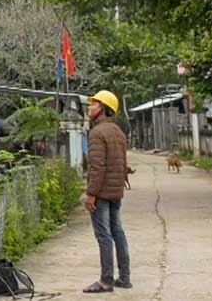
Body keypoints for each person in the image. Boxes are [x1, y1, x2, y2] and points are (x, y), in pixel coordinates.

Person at [82, 90, 131, 293]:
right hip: (115, 192)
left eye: (93, 105)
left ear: (102, 108)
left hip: (101, 193)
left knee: (104, 235)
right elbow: (122, 164)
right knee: (117, 232)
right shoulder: (118, 132)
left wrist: (91, 193)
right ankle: (125, 278)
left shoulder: (96, 133)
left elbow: (97, 166)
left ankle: (106, 280)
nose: (89, 108)